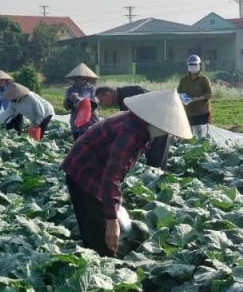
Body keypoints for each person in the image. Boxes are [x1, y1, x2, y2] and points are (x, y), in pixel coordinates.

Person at [61, 90, 191, 256]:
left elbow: (115, 172)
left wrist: (114, 205)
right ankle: (101, 262)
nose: (168, 133)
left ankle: (98, 254)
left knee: (99, 224)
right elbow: (111, 176)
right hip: (84, 172)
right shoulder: (132, 132)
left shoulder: (136, 122)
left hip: (90, 168)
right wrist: (112, 221)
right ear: (157, 121)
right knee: (99, 234)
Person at [96, 85, 169, 169]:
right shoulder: (123, 97)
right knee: (154, 154)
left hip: (158, 121)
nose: (102, 104)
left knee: (156, 155)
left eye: (101, 100)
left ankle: (158, 176)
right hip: (155, 122)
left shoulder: (128, 95)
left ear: (108, 94)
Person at [178, 54, 212, 139]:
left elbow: (209, 94)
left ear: (199, 65)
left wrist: (197, 99)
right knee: (188, 134)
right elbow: (179, 93)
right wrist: (182, 99)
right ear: (188, 66)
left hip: (201, 112)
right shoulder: (184, 80)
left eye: (195, 65)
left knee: (201, 135)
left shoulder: (203, 79)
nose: (193, 67)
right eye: (191, 65)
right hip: (188, 112)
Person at [63, 63, 100, 140]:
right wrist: (70, 99)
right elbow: (66, 106)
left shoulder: (92, 89)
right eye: (80, 78)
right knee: (78, 144)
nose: (82, 80)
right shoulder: (70, 90)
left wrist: (82, 101)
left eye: (84, 78)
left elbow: (95, 104)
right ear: (75, 78)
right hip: (76, 121)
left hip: (90, 120)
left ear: (87, 79)